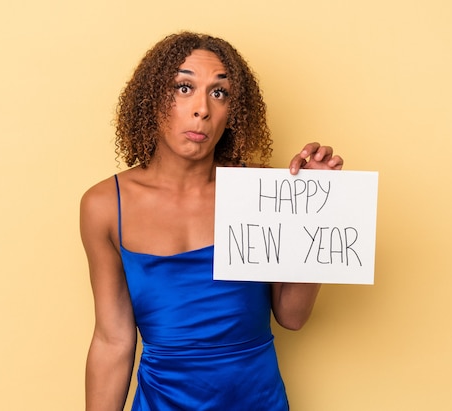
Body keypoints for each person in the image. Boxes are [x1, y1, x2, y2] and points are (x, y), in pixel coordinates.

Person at [80, 31, 344, 411]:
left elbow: (292, 315)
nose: (202, 108)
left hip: (257, 401)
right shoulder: (104, 205)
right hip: (162, 402)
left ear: (233, 111)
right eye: (184, 87)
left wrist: (318, 207)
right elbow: (112, 340)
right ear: (151, 100)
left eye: (219, 92)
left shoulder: (260, 190)